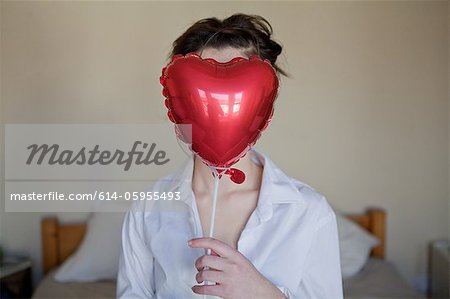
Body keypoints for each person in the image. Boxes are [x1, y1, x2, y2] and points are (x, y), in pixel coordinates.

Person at [117, 13, 343, 299]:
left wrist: (263, 293)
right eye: (201, 97)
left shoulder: (309, 212)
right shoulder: (148, 210)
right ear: (176, 108)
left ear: (263, 108)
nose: (219, 113)